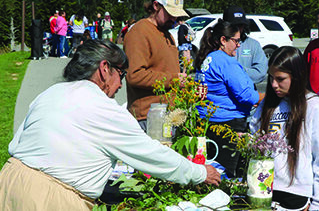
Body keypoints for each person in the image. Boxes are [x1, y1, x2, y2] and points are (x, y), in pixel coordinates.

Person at [0, 40, 220, 210]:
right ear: (105, 68)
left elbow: (17, 142)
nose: (121, 84)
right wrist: (199, 173)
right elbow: (151, 154)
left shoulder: (50, 93)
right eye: (121, 74)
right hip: (49, 199)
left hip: (8, 181)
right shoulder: (102, 108)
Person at [250, 46, 319, 210]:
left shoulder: (315, 107)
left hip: (297, 195)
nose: (274, 84)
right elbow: (254, 140)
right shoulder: (267, 104)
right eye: (271, 78)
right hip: (263, 188)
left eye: (280, 78)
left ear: (296, 76)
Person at [194, 19, 264, 177]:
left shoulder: (208, 59)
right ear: (223, 40)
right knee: (227, 175)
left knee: (212, 168)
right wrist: (269, 97)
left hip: (209, 122)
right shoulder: (226, 62)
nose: (239, 45)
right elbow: (247, 96)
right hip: (228, 125)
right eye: (236, 41)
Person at [124, 0, 188, 131]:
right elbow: (134, 75)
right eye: (170, 13)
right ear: (155, 6)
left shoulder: (168, 35)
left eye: (176, 14)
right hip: (148, 117)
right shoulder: (139, 32)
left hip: (169, 116)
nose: (174, 18)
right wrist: (175, 79)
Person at [223, 5, 268, 86]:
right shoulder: (216, 44)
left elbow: (261, 73)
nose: (238, 29)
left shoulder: (253, 45)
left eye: (241, 25)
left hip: (247, 93)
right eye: (234, 26)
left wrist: (235, 70)